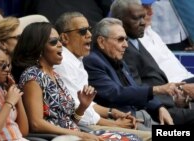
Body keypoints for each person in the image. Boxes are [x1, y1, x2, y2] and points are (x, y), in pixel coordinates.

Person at [12, 22, 142, 141]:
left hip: (75, 134)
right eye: (53, 42)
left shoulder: (55, 75)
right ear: (39, 48)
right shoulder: (32, 77)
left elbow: (69, 120)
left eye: (59, 40)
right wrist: (79, 134)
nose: (60, 45)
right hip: (62, 138)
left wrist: (83, 106)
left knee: (136, 137)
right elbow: (36, 124)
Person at [54, 11, 152, 140]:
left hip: (97, 122)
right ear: (65, 38)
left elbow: (87, 103)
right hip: (82, 128)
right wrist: (114, 124)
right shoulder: (64, 63)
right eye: (82, 31)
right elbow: (78, 110)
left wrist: (112, 112)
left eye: (89, 30)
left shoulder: (77, 59)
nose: (89, 35)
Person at [83, 16, 185, 131]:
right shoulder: (92, 61)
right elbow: (115, 93)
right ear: (101, 41)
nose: (126, 45)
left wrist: (159, 107)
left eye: (126, 39)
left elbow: (135, 88)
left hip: (142, 116)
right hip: (123, 122)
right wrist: (158, 89)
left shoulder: (117, 59)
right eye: (120, 39)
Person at [121, 0, 194, 125]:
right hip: (167, 97)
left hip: (179, 86)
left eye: (151, 7)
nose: (150, 12)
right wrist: (179, 90)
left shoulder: (149, 33)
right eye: (145, 8)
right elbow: (134, 88)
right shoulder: (127, 47)